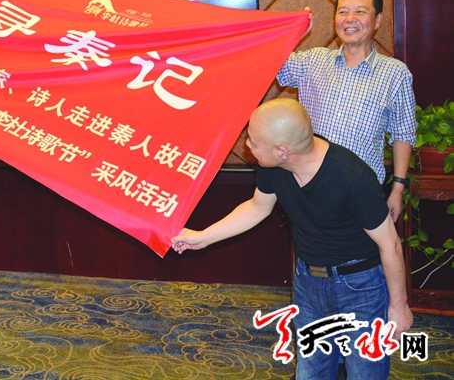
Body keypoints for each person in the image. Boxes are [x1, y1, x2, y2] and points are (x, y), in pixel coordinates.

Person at [172, 99, 412, 379]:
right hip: (308, 281)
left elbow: (390, 245)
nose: (247, 145)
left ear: (283, 151)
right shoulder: (273, 166)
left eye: (253, 142)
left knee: (365, 372)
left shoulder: (353, 178)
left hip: (359, 286)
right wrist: (203, 237)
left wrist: (399, 306)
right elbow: (257, 207)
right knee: (311, 371)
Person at [277, 0, 416, 222]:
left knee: (366, 246)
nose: (350, 19)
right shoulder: (312, 61)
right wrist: (296, 32)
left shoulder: (395, 73)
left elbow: (403, 133)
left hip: (362, 193)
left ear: (377, 20)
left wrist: (397, 189)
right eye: (342, 12)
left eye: (360, 11)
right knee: (306, 247)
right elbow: (270, 62)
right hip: (310, 191)